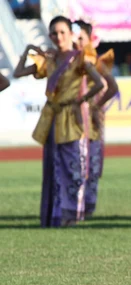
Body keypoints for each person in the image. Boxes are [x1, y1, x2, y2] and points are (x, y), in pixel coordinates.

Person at [13, 16, 105, 227]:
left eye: (62, 32)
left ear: (71, 34)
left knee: (73, 168)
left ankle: (71, 215)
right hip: (53, 118)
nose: (58, 37)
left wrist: (81, 100)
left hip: (71, 118)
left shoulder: (80, 57)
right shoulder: (50, 60)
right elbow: (19, 72)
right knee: (53, 167)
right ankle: (53, 216)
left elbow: (99, 83)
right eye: (54, 33)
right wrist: (28, 49)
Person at [74, 20, 119, 218]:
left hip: (91, 119)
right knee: (74, 159)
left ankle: (87, 206)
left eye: (81, 38)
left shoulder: (97, 62)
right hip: (70, 116)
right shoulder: (69, 61)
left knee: (91, 162)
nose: (77, 41)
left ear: (90, 39)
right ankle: (73, 205)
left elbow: (112, 87)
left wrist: (96, 106)